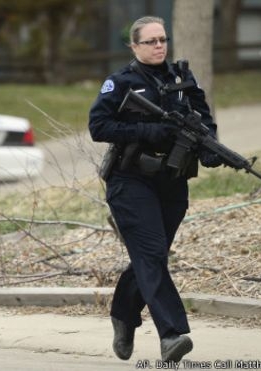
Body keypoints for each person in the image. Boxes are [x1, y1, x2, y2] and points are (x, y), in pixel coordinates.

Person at [88, 16, 222, 363]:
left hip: (172, 180)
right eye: (151, 41)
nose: (159, 45)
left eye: (162, 39)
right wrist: (147, 132)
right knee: (150, 254)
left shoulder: (181, 79)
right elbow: (98, 125)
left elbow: (203, 117)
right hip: (130, 179)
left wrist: (210, 147)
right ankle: (172, 335)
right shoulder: (120, 82)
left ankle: (123, 315)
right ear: (134, 46)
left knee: (153, 257)